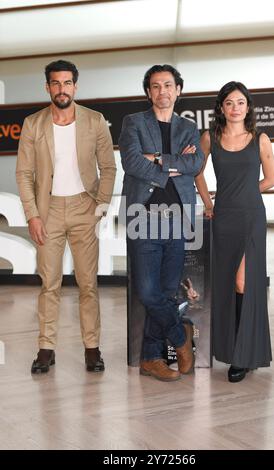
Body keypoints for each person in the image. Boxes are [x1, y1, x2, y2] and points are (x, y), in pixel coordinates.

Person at [16, 60, 116, 374]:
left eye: (67, 83)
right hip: (48, 212)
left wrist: (100, 207)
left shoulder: (94, 120)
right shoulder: (33, 123)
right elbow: (24, 173)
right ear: (48, 87)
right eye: (56, 83)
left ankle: (92, 348)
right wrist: (32, 216)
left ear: (75, 85)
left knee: (88, 284)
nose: (62, 89)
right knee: (50, 284)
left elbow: (108, 168)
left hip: (84, 208)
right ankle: (46, 348)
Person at [119, 64, 204, 382]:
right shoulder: (134, 122)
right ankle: (180, 337)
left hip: (178, 220)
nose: (162, 91)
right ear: (148, 91)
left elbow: (194, 164)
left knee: (168, 291)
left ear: (178, 90)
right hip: (143, 218)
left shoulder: (188, 128)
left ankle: (151, 357)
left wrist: (158, 159)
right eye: (155, 86)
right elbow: (131, 161)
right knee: (147, 290)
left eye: (168, 85)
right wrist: (170, 165)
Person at [195, 81, 274, 382]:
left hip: (252, 217)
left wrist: (245, 192)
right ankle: (236, 350)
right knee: (227, 283)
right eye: (229, 102)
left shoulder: (260, 139)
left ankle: (243, 356)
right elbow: (197, 172)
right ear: (221, 107)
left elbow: (271, 179)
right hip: (223, 218)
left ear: (248, 107)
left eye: (240, 102)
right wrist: (208, 202)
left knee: (244, 282)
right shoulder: (210, 137)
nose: (235, 108)